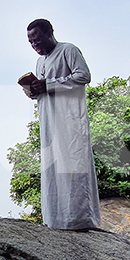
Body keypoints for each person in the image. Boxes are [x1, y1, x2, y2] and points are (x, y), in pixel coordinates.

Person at [23, 18, 101, 231]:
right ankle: (56, 220)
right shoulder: (40, 62)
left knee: (73, 164)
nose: (35, 46)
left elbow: (83, 76)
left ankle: (79, 219)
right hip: (49, 122)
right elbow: (45, 88)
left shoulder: (68, 50)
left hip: (70, 121)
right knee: (53, 168)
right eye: (31, 43)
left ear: (50, 33)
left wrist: (48, 84)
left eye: (37, 40)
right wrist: (35, 90)